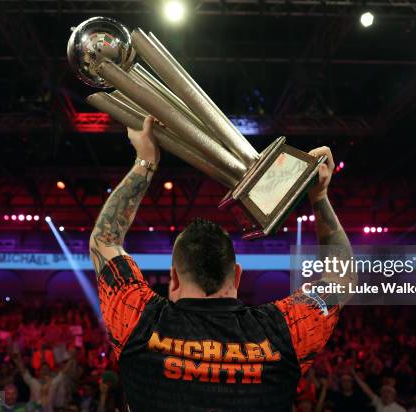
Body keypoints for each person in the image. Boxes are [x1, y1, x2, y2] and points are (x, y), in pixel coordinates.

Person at [89, 115, 355, 410]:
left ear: (174, 278)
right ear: (237, 276)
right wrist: (319, 196)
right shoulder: (283, 332)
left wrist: (145, 160)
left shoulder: (139, 321)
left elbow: (105, 241)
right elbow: (340, 281)